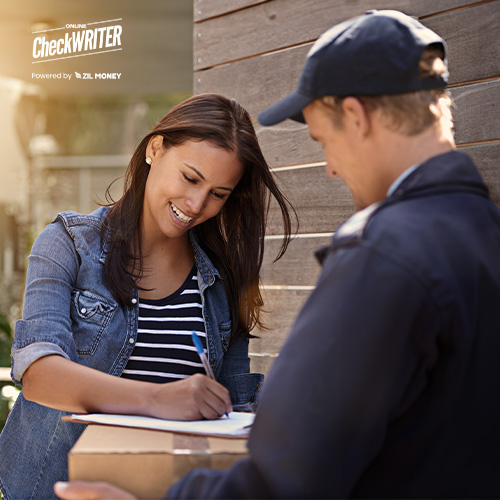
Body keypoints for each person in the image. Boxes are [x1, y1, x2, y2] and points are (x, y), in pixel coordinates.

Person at [53, 9, 500, 499]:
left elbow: (287, 477)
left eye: (322, 140)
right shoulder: (484, 231)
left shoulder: (383, 253)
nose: (330, 168)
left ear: (355, 115)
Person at [0, 93, 295, 500]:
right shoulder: (68, 243)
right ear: (155, 149)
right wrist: (159, 399)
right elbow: (38, 374)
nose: (196, 204)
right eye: (191, 178)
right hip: (54, 490)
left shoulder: (223, 280)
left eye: (219, 194)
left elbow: (233, 411)